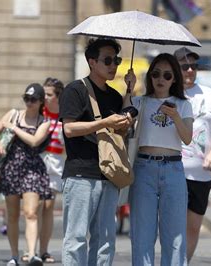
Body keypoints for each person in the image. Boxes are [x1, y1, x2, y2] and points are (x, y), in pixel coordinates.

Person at [59, 38, 134, 266]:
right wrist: (102, 123)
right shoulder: (75, 90)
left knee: (105, 238)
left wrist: (129, 91)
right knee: (76, 238)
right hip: (81, 174)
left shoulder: (113, 96)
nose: (114, 65)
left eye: (117, 60)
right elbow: (69, 128)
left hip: (108, 173)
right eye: (108, 60)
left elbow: (118, 129)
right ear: (92, 62)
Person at [128, 53, 193, 266]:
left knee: (175, 236)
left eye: (167, 75)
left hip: (173, 168)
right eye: (156, 74)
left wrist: (174, 117)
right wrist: (128, 88)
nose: (161, 79)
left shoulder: (183, 104)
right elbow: (121, 118)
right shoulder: (140, 101)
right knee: (141, 235)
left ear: (174, 78)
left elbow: (187, 137)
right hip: (144, 167)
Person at [173, 47, 211, 262]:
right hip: (173, 171)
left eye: (194, 66)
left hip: (201, 175)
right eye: (184, 66)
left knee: (194, 228)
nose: (190, 70)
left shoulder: (208, 95)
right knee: (172, 226)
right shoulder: (167, 93)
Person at [0, 83, 51, 266]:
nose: (29, 102)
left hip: (32, 169)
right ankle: (14, 255)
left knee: (31, 213)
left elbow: (34, 141)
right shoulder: (13, 114)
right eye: (26, 98)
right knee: (12, 215)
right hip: (12, 167)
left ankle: (32, 253)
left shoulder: (44, 122)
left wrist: (14, 128)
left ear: (41, 102)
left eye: (33, 99)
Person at [38, 77, 65, 263]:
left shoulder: (66, 116)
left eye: (48, 94)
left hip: (55, 162)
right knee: (35, 206)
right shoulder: (39, 113)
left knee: (48, 206)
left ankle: (44, 250)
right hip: (37, 160)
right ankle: (31, 248)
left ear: (58, 96)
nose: (44, 97)